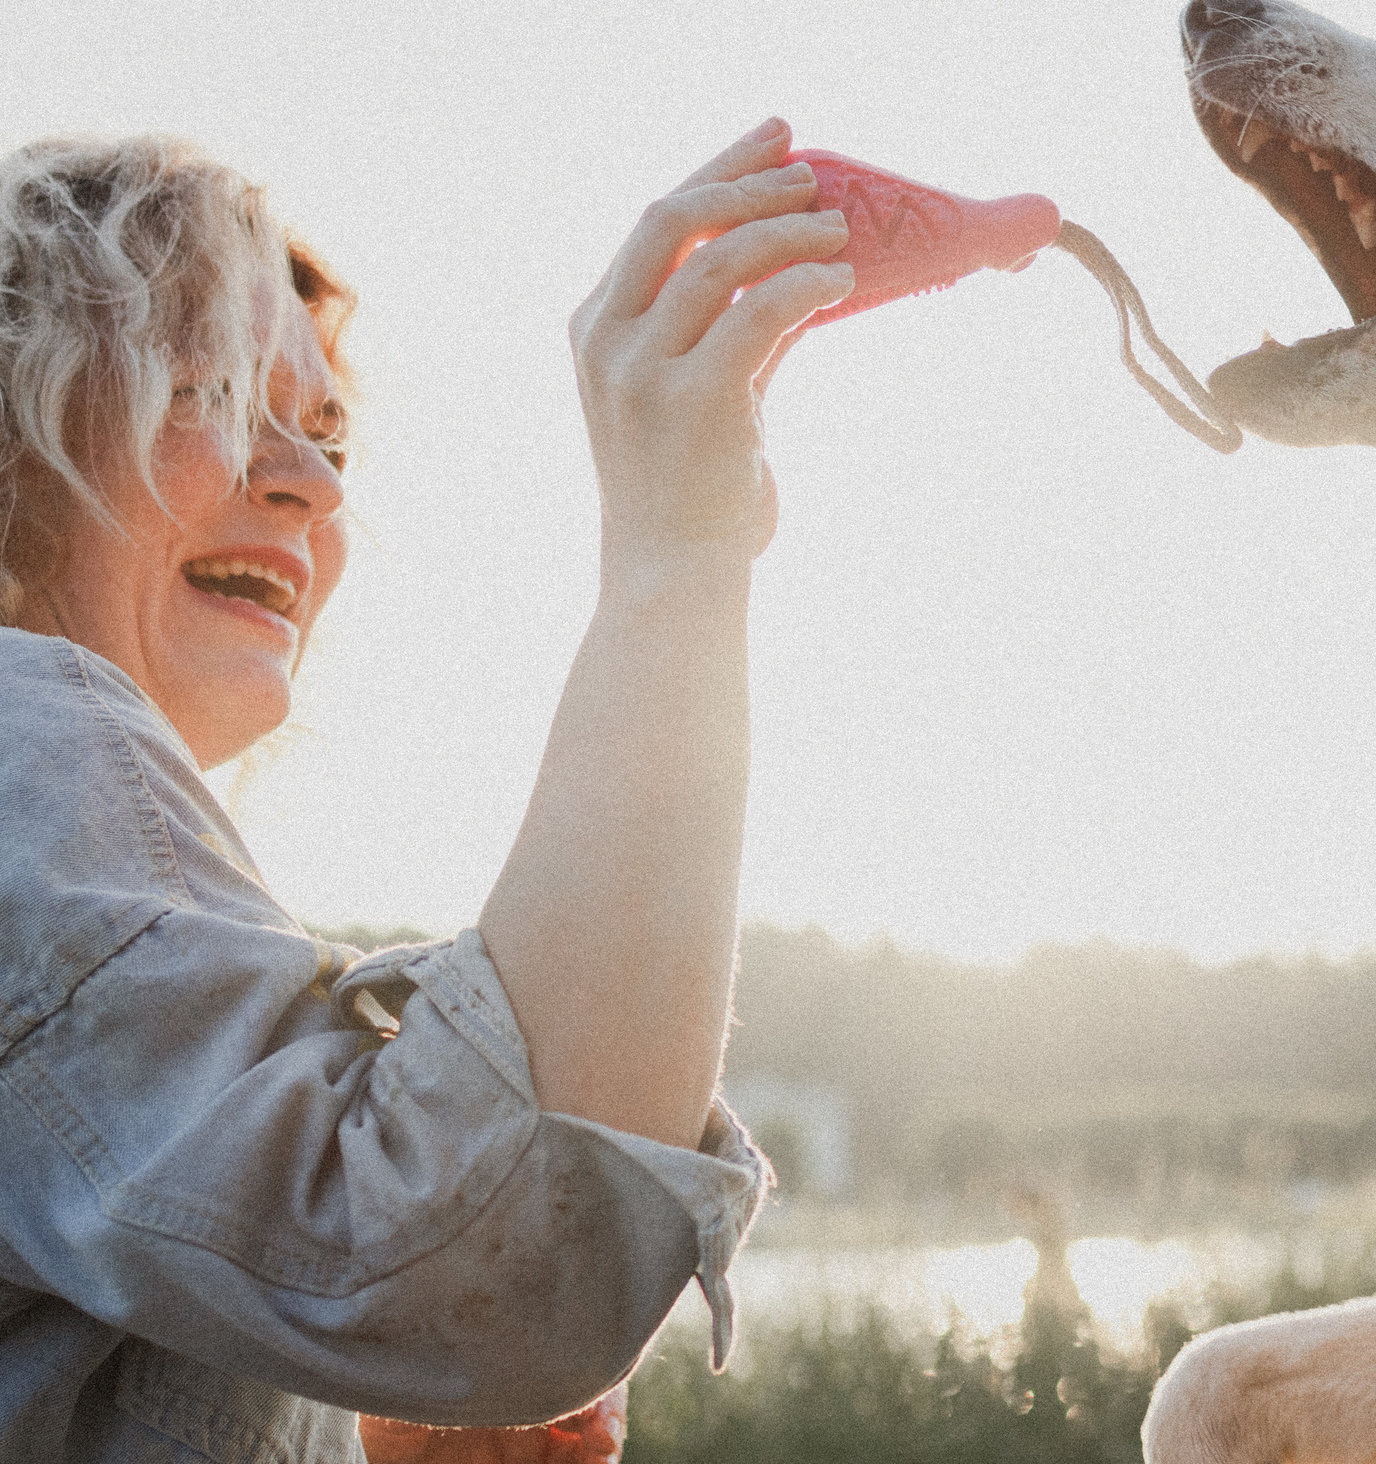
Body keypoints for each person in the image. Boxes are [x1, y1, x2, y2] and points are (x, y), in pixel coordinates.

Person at [0, 120, 859, 1461]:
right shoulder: (22, 737)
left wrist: (379, 1443)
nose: (309, 481)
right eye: (208, 393)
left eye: (326, 428)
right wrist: (679, 552)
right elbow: (485, 1264)